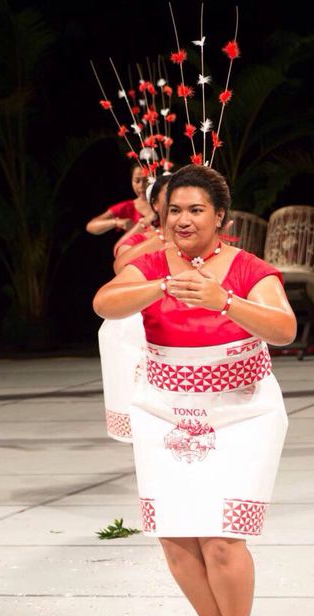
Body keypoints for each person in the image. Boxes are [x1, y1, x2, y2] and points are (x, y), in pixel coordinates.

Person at [93, 165, 296, 616]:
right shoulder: (152, 264)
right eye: (175, 210)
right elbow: (105, 302)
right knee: (177, 535)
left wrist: (223, 300)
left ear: (220, 215)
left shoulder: (249, 267)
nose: (184, 219)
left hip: (242, 412)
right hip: (166, 413)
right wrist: (162, 285)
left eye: (196, 209)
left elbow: (285, 330)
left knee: (223, 534)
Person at [98, 174, 172, 442]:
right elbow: (120, 265)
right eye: (171, 202)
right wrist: (159, 239)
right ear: (156, 205)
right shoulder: (145, 236)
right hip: (147, 311)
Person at [86, 164, 156, 242]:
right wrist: (116, 222)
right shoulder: (127, 207)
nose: (141, 186)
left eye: (146, 180)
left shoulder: (164, 201)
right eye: (137, 181)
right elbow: (91, 226)